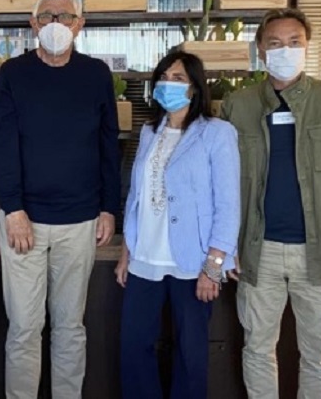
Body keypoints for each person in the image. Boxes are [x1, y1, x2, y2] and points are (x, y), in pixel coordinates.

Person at [221, 8, 321, 399]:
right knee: (257, 348)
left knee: (319, 354)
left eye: (294, 43)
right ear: (260, 49)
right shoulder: (238, 105)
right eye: (275, 43)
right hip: (258, 249)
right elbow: (223, 183)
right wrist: (225, 244)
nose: (285, 51)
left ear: (307, 47)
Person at [0, 0, 121, 398]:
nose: (56, 23)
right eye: (47, 16)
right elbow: (1, 144)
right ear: (33, 24)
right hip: (22, 221)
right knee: (25, 328)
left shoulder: (96, 74)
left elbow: (108, 143)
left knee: (70, 327)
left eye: (65, 16)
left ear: (79, 25)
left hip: (80, 220)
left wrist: (109, 208)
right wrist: (12, 209)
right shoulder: (12, 73)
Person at [114, 51, 240, 399]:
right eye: (164, 77)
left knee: (190, 353)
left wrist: (214, 266)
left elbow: (228, 204)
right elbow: (136, 196)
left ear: (195, 87)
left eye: (179, 78)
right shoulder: (149, 131)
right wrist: (126, 252)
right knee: (133, 347)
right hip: (144, 258)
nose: (168, 84)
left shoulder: (217, 133)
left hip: (193, 263)